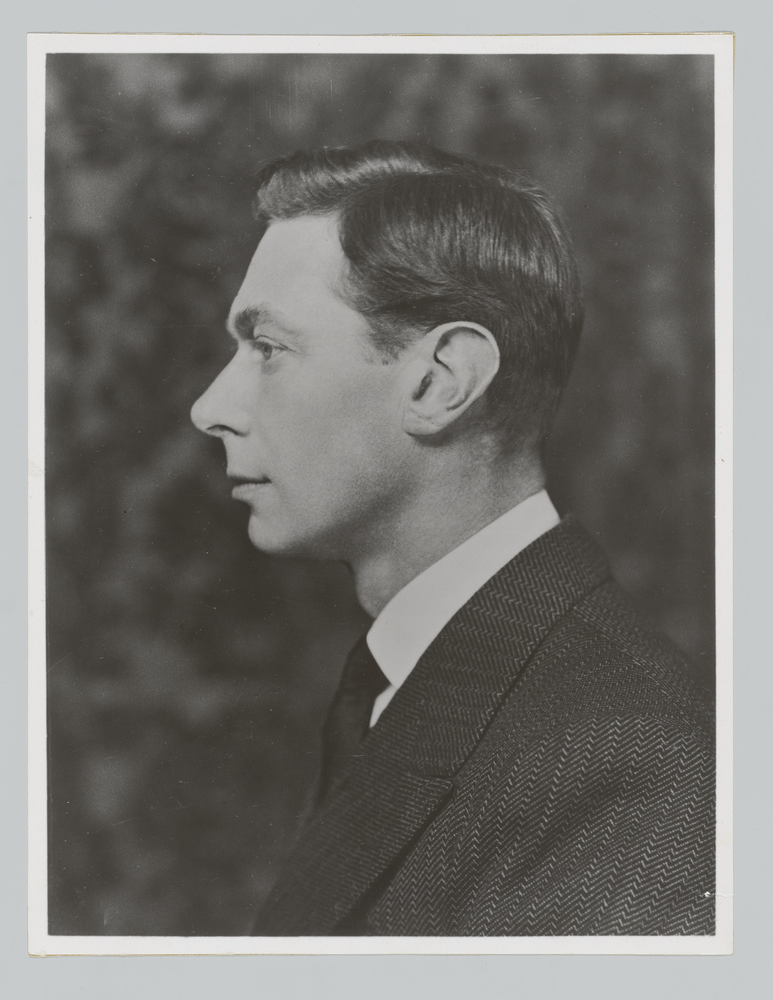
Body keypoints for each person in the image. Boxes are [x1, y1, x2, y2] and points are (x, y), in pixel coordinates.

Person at [190, 141, 715, 937]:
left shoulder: (628, 761)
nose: (210, 408)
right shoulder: (412, 680)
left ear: (441, 382)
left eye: (267, 349)